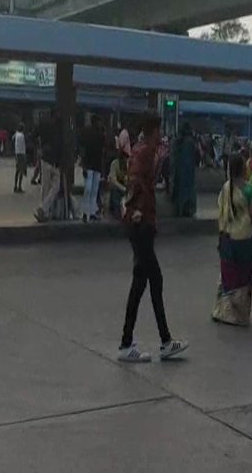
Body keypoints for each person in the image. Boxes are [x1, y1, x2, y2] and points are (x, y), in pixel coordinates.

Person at [118, 116, 188, 363]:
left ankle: (129, 342)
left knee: (140, 283)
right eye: (159, 130)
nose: (161, 135)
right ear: (153, 130)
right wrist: (136, 208)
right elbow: (137, 180)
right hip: (141, 223)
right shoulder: (145, 151)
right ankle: (164, 341)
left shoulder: (142, 150)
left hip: (139, 222)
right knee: (153, 280)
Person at [213, 155, 252, 326]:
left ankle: (222, 311)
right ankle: (239, 316)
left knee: (228, 274)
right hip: (244, 238)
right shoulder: (248, 190)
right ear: (243, 169)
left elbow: (221, 212)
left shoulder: (225, 188)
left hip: (226, 237)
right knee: (242, 275)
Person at [80, 116, 106, 222]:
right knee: (90, 188)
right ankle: (87, 212)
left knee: (92, 189)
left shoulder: (98, 134)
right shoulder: (92, 134)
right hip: (91, 164)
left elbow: (102, 151)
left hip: (94, 164)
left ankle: (90, 212)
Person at [170, 123, 198, 218]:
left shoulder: (177, 142)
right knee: (188, 190)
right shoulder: (190, 142)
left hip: (179, 171)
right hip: (188, 171)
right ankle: (188, 209)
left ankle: (180, 209)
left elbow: (173, 158)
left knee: (179, 190)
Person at [107, 147, 129, 220]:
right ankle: (116, 212)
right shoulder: (114, 163)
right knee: (115, 191)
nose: (125, 160)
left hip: (125, 184)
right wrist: (123, 188)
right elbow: (113, 179)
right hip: (116, 185)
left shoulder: (128, 164)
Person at [13, 123, 28, 193]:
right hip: (21, 154)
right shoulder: (22, 135)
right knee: (21, 171)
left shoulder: (16, 135)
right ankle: (19, 186)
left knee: (17, 171)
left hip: (17, 153)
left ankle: (15, 186)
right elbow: (23, 146)